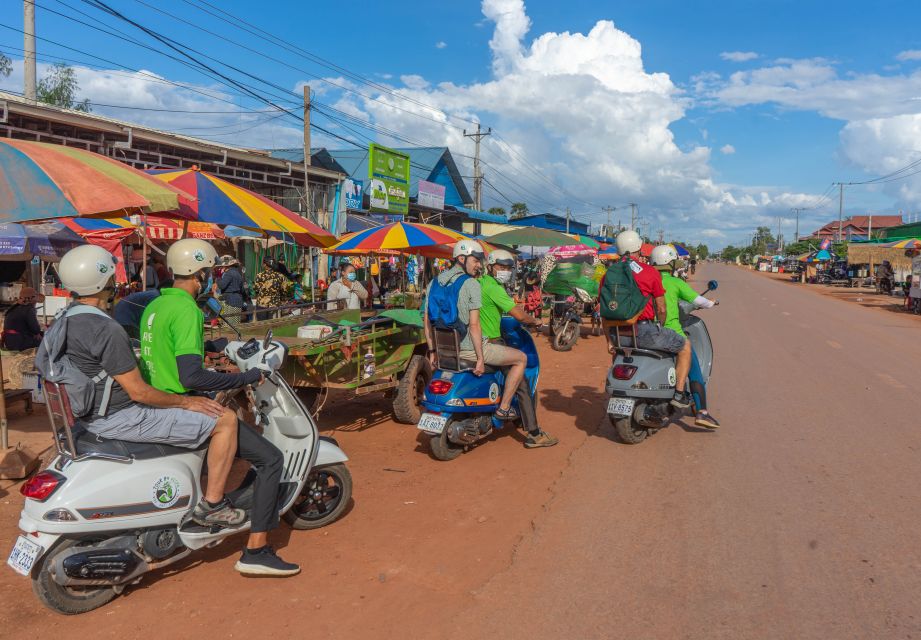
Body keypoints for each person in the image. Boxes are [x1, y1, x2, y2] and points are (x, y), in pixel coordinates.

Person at [49, 244, 238, 527]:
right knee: (225, 420)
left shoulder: (64, 320)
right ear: (105, 282)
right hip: (118, 416)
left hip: (87, 414)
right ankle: (213, 504)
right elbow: (139, 392)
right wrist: (188, 402)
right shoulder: (106, 329)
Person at [140, 239, 297, 577]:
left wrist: (215, 344)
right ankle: (255, 548)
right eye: (211, 272)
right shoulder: (187, 310)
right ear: (201, 274)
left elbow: (171, 349)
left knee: (241, 445)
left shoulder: (157, 306)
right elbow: (191, 374)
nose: (213, 278)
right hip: (185, 402)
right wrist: (249, 376)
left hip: (160, 398)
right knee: (271, 460)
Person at [480, 249, 557, 448]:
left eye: (507, 267)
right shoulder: (494, 287)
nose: (504, 270)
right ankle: (533, 433)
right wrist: (536, 321)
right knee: (522, 382)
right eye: (500, 267)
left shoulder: (478, 283)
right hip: (492, 342)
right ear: (490, 267)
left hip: (473, 342)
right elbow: (520, 316)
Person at [608, 230, 693, 408]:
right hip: (644, 332)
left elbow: (604, 311)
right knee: (684, 346)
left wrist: (608, 339)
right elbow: (661, 308)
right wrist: (660, 325)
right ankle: (678, 393)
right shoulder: (648, 272)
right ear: (638, 249)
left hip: (616, 334)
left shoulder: (609, 274)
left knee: (620, 353)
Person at [650, 245, 720, 428]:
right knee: (694, 368)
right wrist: (712, 303)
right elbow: (700, 301)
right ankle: (702, 412)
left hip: (647, 332)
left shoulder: (646, 280)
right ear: (670, 264)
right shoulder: (675, 283)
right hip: (672, 332)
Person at [423, 240, 486, 378]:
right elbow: (474, 326)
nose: (479, 265)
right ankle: (505, 401)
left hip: (441, 351)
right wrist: (480, 359)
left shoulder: (433, 282)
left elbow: (427, 321)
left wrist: (433, 351)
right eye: (475, 260)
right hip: (467, 349)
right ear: (461, 258)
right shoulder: (472, 283)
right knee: (520, 358)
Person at [216, 255, 246, 321]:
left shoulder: (229, 273)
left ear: (226, 265)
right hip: (237, 300)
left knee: (229, 323)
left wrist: (218, 277)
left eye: (222, 266)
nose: (221, 267)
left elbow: (221, 285)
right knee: (235, 322)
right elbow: (242, 290)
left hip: (230, 301)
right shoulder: (238, 273)